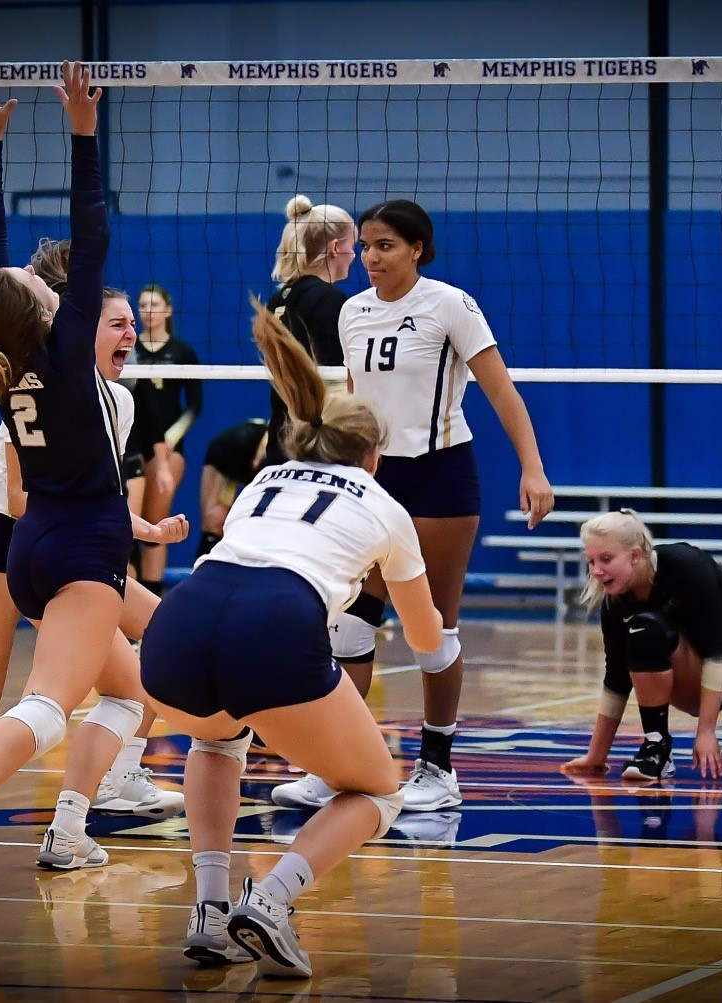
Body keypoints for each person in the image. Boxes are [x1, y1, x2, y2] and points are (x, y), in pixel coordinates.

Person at [0, 63, 188, 888]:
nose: (39, 276)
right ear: (38, 306)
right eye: (35, 284)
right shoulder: (67, 348)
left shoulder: (4, 349)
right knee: (47, 704)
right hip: (83, 544)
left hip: (31, 546)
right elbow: (88, 232)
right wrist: (83, 132)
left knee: (130, 692)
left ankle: (68, 830)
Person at [141, 302, 445, 978]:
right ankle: (271, 900)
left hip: (178, 624)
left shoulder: (262, 481)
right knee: (378, 791)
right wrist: (440, 641)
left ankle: (210, 911)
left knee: (216, 739)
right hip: (270, 625)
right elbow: (426, 636)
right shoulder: (385, 505)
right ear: (374, 455)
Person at [275, 198, 555, 815]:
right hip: (375, 479)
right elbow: (355, 404)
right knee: (350, 625)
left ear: (417, 249)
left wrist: (532, 468)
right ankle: (337, 763)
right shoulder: (352, 311)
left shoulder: (449, 305)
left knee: (433, 628)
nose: (370, 257)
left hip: (440, 477)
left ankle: (437, 768)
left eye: (385, 246)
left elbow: (501, 391)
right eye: (365, 246)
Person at [562, 510, 722, 781]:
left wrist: (706, 732)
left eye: (606, 559)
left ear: (635, 555)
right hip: (692, 679)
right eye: (591, 561)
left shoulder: (687, 565)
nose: (596, 571)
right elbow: (616, 680)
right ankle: (656, 747)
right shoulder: (616, 604)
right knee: (644, 629)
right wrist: (596, 757)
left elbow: (716, 650)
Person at [262, 196, 356, 469]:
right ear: (336, 247)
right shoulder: (328, 297)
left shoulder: (279, 297)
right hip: (317, 443)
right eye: (353, 245)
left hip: (282, 434)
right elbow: (333, 379)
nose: (355, 255)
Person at [122, 283, 201, 595]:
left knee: (155, 526)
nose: (147, 311)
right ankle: (129, 601)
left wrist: (169, 442)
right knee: (128, 526)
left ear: (168, 310)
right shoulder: (129, 348)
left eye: (154, 305)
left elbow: (194, 406)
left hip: (166, 447)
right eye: (142, 305)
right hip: (130, 443)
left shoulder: (182, 351)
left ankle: (152, 601)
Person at [195, 418, 270, 558]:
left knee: (217, 519)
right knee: (215, 521)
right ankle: (206, 562)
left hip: (234, 452)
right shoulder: (242, 444)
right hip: (227, 456)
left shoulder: (273, 443)